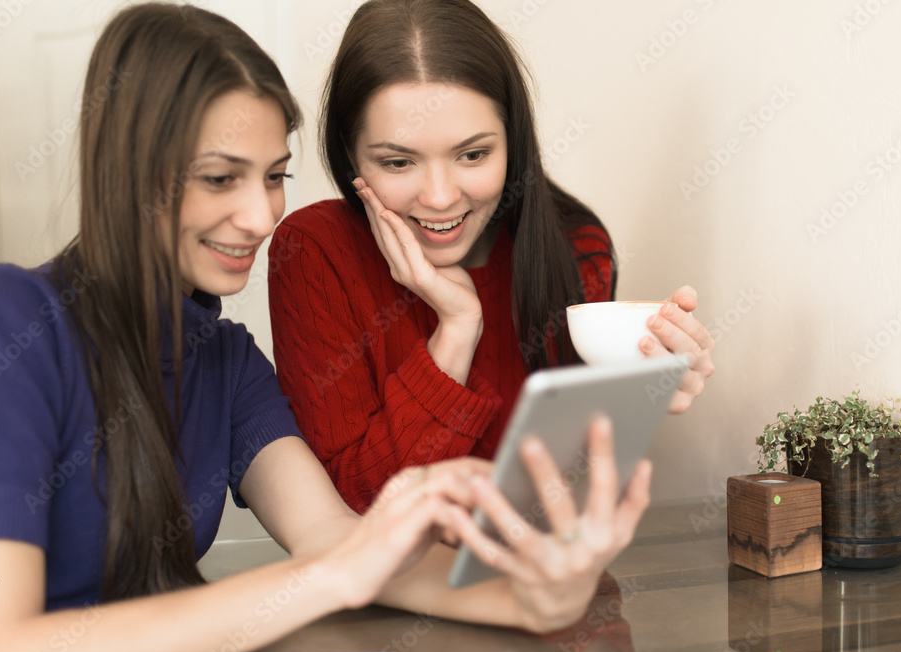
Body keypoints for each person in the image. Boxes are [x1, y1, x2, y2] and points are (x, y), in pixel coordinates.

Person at [0, 5, 653, 652]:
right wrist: (328, 575)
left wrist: (535, 597)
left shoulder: (226, 363)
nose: (263, 217)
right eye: (221, 178)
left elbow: (343, 540)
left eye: (272, 176)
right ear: (128, 174)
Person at [268, 0, 716, 513]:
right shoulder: (315, 251)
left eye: (473, 154)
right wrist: (456, 329)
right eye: (397, 161)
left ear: (513, 140)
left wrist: (644, 391)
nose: (439, 197)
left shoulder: (576, 248)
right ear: (351, 154)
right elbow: (350, 513)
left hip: (535, 584)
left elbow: (567, 494)